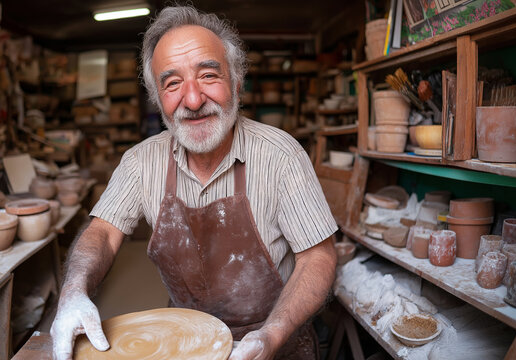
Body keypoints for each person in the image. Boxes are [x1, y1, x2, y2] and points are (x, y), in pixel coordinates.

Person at [50, 5, 338, 360]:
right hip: (185, 343)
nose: (193, 100)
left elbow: (318, 257)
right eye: (173, 84)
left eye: (207, 76)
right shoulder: (140, 162)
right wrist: (73, 292)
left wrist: (271, 336)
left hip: (277, 342)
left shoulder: (282, 156)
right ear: (158, 100)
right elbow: (103, 233)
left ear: (235, 81)